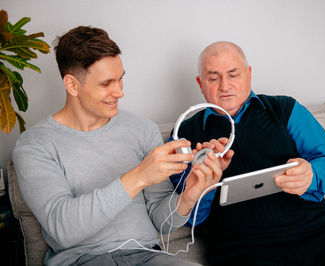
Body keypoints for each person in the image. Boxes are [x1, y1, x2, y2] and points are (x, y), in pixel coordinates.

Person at [11, 26, 224, 266]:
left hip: (148, 257)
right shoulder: (34, 145)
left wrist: (188, 195)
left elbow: (161, 220)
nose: (119, 92)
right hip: (82, 261)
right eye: (106, 83)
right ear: (72, 85)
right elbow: (63, 229)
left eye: (121, 79)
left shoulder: (142, 130)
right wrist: (139, 176)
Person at [170, 41, 325, 265]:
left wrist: (311, 175)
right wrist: (203, 182)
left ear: (249, 74)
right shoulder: (184, 134)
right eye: (213, 78)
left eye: (233, 75)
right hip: (242, 250)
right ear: (200, 83)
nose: (224, 86)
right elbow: (191, 218)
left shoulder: (285, 109)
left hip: (319, 236)